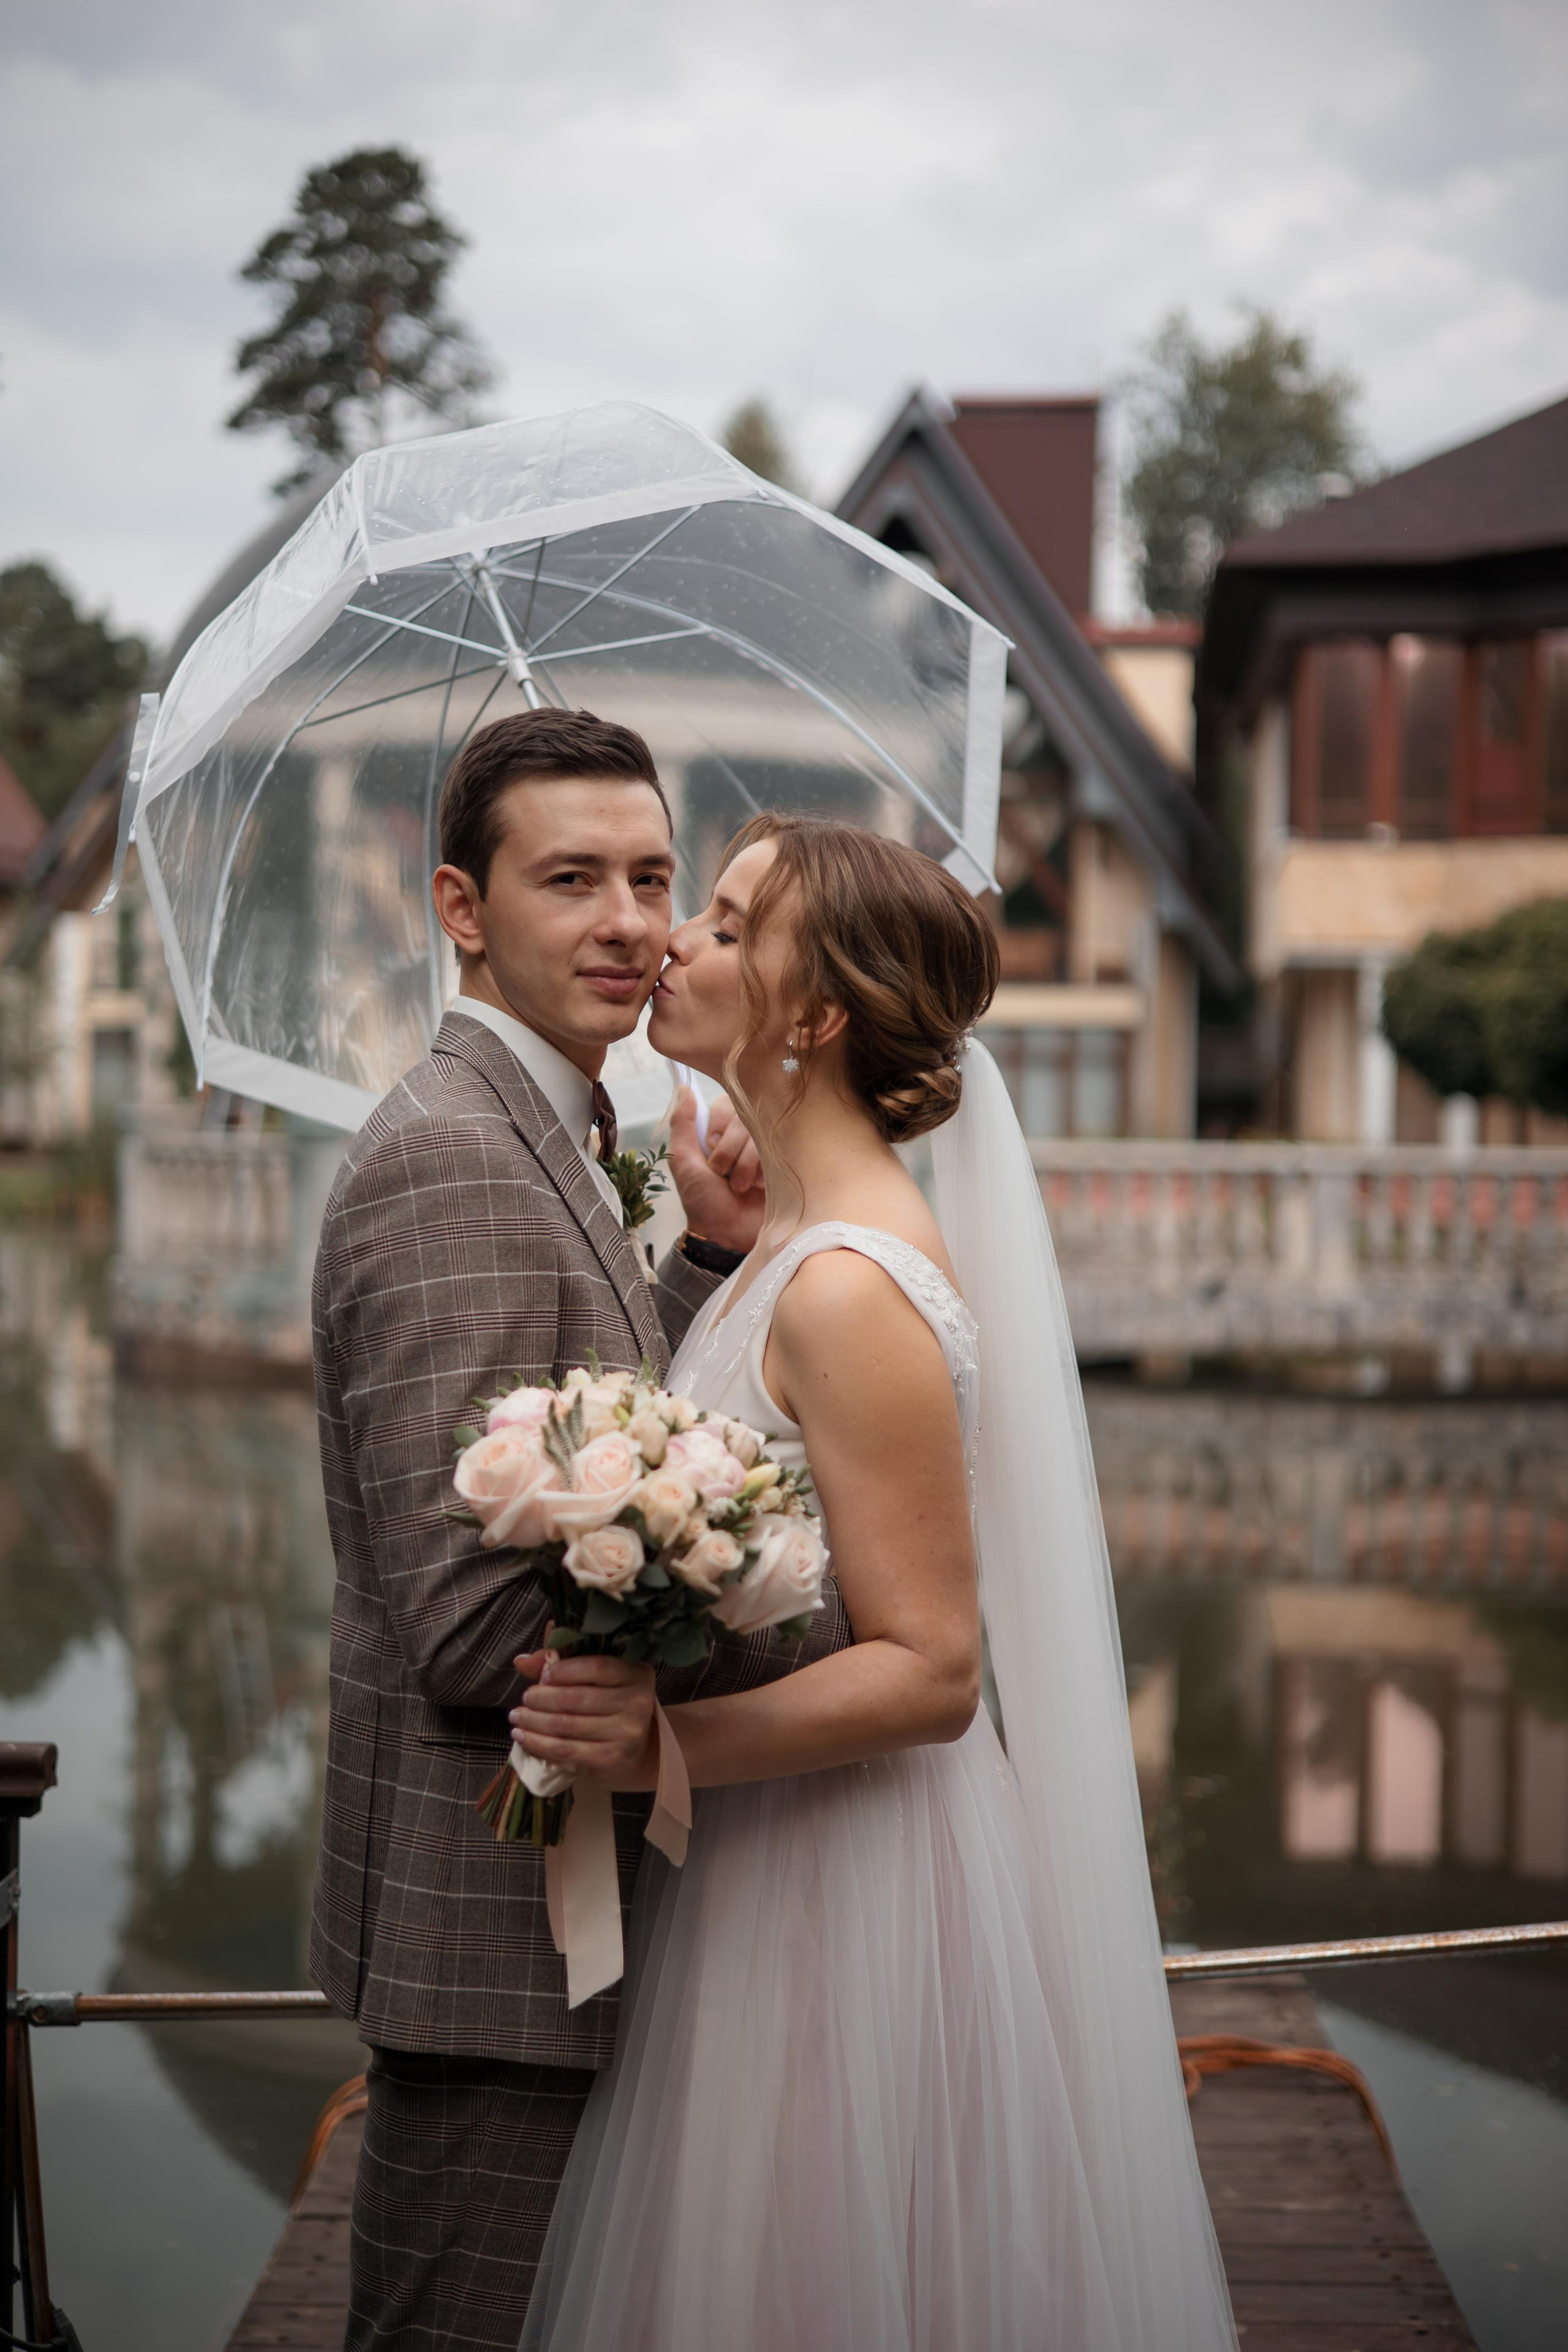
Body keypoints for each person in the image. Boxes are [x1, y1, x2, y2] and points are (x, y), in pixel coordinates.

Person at [513, 815, 1239, 2350]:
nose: (674, 942)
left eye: (721, 921)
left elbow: (930, 1670)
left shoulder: (850, 1288)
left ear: (815, 1010)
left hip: (840, 1880)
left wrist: (656, 1748)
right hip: (768, 1852)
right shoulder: (793, 1244)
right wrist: (729, 1239)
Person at [309, 710, 851, 2352]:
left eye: (652, 877)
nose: (631, 920)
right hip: (498, 1955)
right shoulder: (453, 1162)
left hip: (569, 1944)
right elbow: (475, 1630)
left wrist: (694, 1270)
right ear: (461, 906)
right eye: (571, 879)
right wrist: (807, 1621)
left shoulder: (561, 1133)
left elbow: (571, 1435)